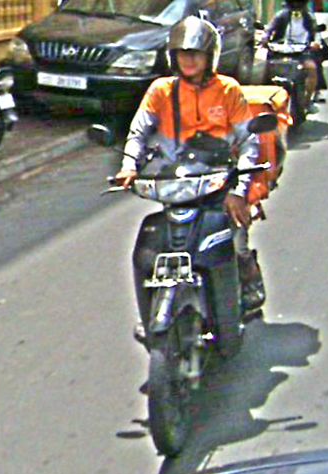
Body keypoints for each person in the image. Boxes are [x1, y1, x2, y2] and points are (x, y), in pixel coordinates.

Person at [115, 15, 267, 341]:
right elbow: (138, 132)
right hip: (178, 180)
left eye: (195, 53)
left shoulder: (228, 90)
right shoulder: (161, 90)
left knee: (235, 237)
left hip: (219, 179)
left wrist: (239, 190)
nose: (189, 60)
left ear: (209, 56)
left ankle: (247, 277)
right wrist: (129, 166)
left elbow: (248, 141)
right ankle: (151, 308)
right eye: (183, 53)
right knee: (155, 244)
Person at [261, 0, 324, 113]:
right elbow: (269, 29)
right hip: (281, 51)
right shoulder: (281, 16)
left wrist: (316, 43)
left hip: (302, 52)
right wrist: (265, 39)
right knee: (264, 69)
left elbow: (316, 34)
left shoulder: (309, 18)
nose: (296, 6)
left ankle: (307, 101)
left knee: (312, 68)